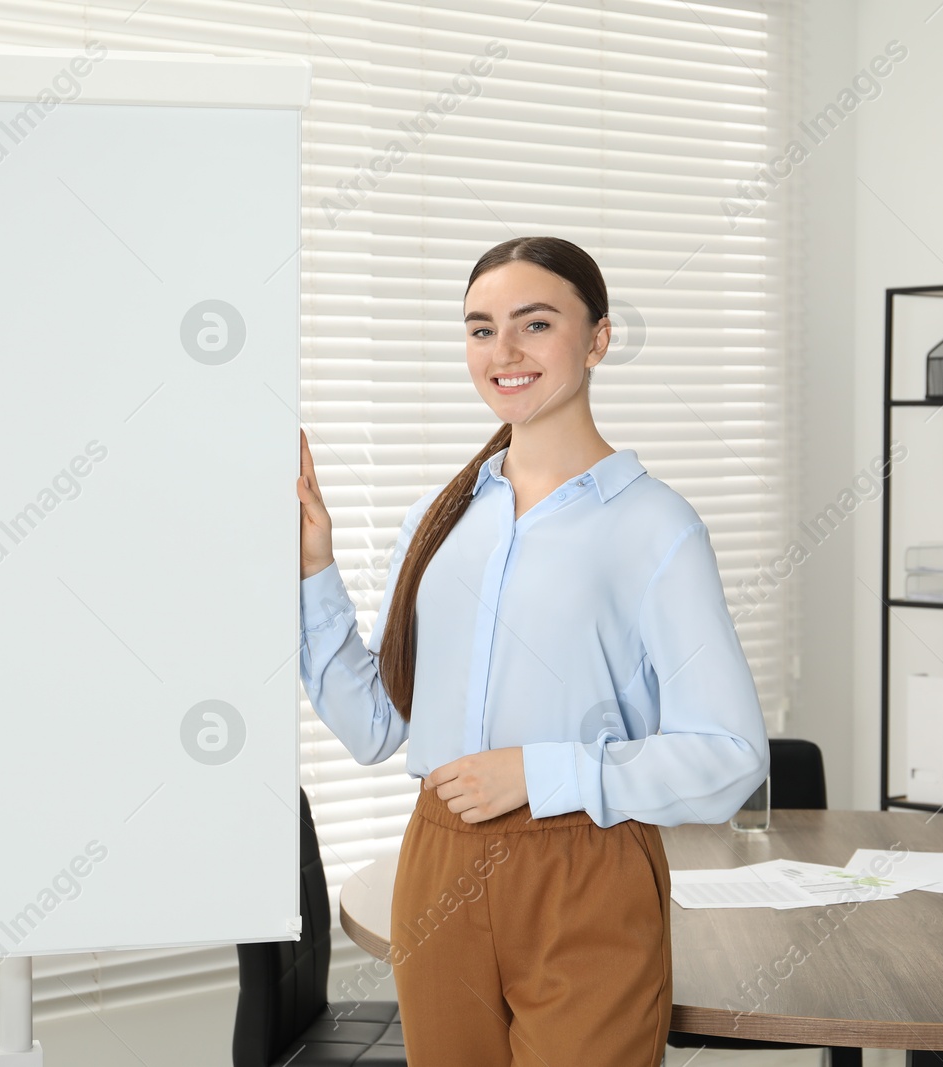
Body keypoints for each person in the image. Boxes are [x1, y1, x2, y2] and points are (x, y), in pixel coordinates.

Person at [295, 235, 770, 1067]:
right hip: (438, 860)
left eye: (534, 323)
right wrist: (313, 570)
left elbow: (730, 757)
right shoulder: (438, 520)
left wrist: (538, 772)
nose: (503, 352)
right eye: (480, 329)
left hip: (585, 864)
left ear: (598, 338)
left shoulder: (656, 527)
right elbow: (375, 725)